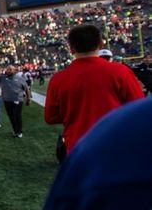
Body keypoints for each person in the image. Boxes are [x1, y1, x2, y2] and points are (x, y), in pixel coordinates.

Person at [15, 98, 152, 210]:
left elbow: (50, 116)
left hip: (90, 148)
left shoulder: (113, 138)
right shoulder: (127, 118)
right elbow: (136, 98)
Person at [44, 24, 143, 154]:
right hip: (117, 143)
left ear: (71, 49)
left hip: (78, 147)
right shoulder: (120, 72)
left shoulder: (58, 79)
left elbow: (51, 117)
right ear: (101, 45)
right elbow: (138, 107)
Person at [0, 65, 31, 138]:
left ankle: (19, 131)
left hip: (18, 100)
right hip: (7, 100)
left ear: (14, 70)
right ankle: (15, 130)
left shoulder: (20, 78)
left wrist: (28, 99)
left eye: (10, 69)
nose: (8, 70)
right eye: (7, 69)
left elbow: (26, 89)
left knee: (17, 116)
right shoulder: (3, 78)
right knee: (11, 116)